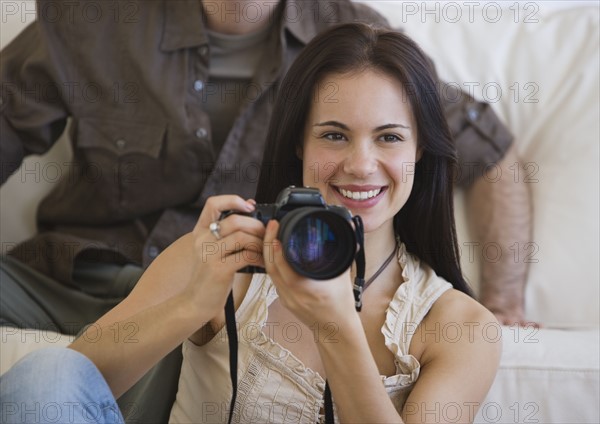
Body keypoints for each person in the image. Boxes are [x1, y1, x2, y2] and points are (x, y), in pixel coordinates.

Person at [1, 23, 501, 424]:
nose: (361, 164)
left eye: (389, 138)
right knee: (47, 372)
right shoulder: (226, 255)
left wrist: (336, 326)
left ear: (421, 152)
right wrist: (193, 303)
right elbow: (66, 389)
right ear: (298, 146)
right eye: (334, 135)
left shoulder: (461, 327)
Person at [0, 0, 530, 330]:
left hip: (217, 300)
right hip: (71, 276)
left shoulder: (354, 41)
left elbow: (488, 151)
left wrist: (502, 303)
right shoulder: (91, 18)